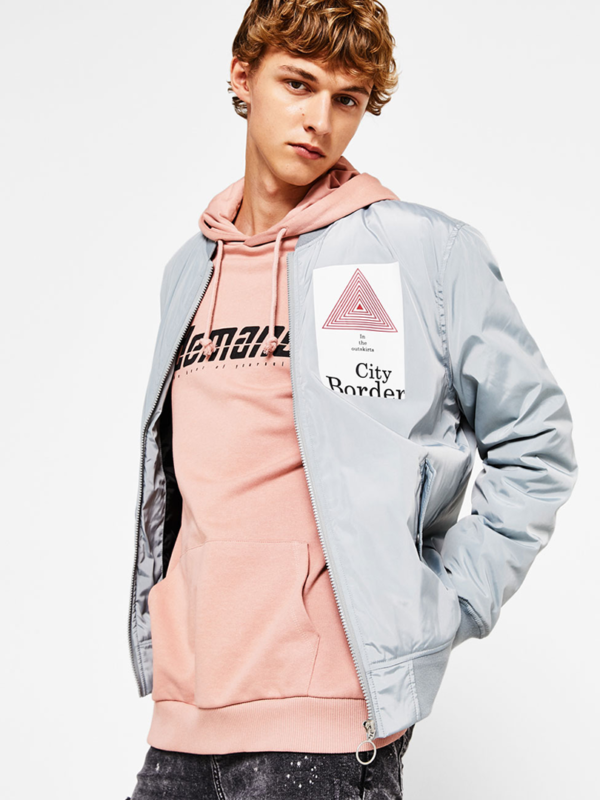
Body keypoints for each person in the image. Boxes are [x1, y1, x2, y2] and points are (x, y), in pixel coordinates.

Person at [126, 1, 579, 798]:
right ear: (243, 76)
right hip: (185, 716)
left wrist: (447, 603)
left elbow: (538, 442)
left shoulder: (420, 252)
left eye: (348, 98)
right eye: (298, 84)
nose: (321, 120)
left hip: (329, 728)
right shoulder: (190, 271)